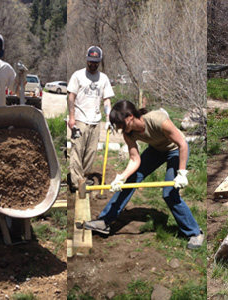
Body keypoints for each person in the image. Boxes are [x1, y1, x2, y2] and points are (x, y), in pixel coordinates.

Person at [83, 100, 205, 250]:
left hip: (175, 150)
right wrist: (122, 177)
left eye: (120, 124)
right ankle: (104, 221)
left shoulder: (158, 120)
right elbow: (135, 159)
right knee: (130, 181)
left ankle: (195, 233)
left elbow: (182, 144)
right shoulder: (129, 134)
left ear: (129, 117)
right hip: (156, 150)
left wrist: (181, 173)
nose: (120, 128)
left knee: (169, 193)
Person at [67, 46, 114, 191]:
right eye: (90, 62)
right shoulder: (78, 76)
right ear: (86, 59)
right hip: (80, 119)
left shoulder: (103, 78)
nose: (93, 65)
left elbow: (106, 100)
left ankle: (83, 178)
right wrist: (72, 117)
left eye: (96, 62)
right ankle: (76, 183)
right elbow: (71, 97)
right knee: (77, 151)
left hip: (95, 120)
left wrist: (108, 118)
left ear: (99, 62)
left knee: (91, 152)